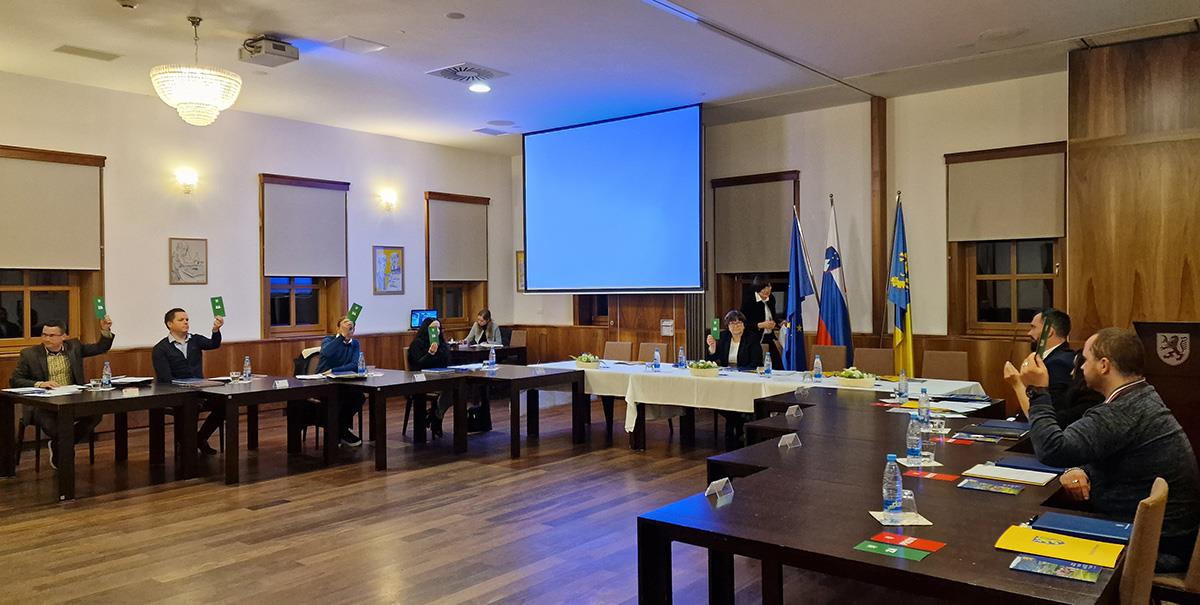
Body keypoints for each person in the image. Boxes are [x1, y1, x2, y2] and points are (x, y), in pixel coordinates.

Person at [1004, 328, 1200, 572]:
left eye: (1086, 360)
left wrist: (1038, 390)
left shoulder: (1122, 410)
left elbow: (1051, 449)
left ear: (1104, 365)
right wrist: (1081, 468)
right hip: (1164, 534)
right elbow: (1108, 448)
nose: (1081, 367)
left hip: (1155, 546)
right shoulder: (1141, 395)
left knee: (1020, 542)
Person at [10, 317, 114, 469]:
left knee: (95, 415)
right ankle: (65, 457)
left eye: (52, 335)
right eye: (44, 334)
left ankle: (59, 446)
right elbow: (15, 380)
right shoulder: (30, 354)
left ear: (63, 336)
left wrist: (105, 330)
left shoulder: (74, 347)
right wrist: (40, 384)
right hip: (43, 405)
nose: (46, 339)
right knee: (57, 426)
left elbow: (100, 348)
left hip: (72, 401)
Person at [151, 308, 225, 455]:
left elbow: (213, 344)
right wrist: (183, 387)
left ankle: (200, 438)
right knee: (190, 405)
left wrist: (216, 330)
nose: (185, 322)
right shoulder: (161, 348)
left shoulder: (195, 340)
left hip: (200, 390)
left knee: (224, 404)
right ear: (170, 324)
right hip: (176, 392)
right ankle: (187, 444)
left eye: (187, 319)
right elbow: (165, 378)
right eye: (181, 320)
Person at [705, 309, 764, 449]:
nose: (736, 326)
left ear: (744, 324)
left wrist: (738, 372)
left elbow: (756, 362)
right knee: (715, 399)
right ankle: (739, 422)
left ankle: (733, 427)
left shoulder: (752, 338)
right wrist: (712, 348)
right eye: (732, 323)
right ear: (728, 326)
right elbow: (711, 359)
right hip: (726, 379)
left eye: (739, 323)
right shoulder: (723, 337)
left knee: (733, 402)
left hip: (746, 379)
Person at [316, 316, 364, 446]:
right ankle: (339, 432)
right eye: (345, 327)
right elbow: (327, 353)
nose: (348, 330)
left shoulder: (355, 343)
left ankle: (339, 430)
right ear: (338, 328)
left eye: (351, 328)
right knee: (338, 398)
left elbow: (354, 365)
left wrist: (334, 370)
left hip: (343, 382)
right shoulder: (328, 340)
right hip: (323, 382)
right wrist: (342, 336)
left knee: (358, 397)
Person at [407, 317, 451, 438]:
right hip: (422, 379)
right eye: (433, 328)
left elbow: (446, 362)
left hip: (440, 377)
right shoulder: (417, 344)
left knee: (455, 388)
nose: (436, 331)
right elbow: (417, 365)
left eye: (439, 328)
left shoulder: (441, 343)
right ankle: (434, 417)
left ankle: (436, 415)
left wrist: (441, 351)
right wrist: (430, 353)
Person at [1027, 308, 1076, 411]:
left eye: (1033, 327)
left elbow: (1049, 409)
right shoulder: (1059, 357)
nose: (1029, 333)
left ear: (1048, 332)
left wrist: (1017, 383)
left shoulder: (1058, 363)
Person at [740, 275, 781, 369]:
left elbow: (772, 316)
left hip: (768, 337)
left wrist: (779, 322)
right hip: (753, 338)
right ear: (757, 288)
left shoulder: (771, 299)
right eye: (763, 288)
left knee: (777, 365)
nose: (767, 290)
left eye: (769, 286)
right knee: (757, 365)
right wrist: (760, 325)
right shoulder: (749, 300)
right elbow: (743, 324)